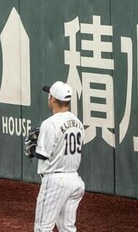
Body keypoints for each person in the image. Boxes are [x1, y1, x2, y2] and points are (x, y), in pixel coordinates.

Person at [31, 81, 85, 232]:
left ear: (53, 99)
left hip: (55, 182)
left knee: (42, 228)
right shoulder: (78, 123)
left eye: (49, 95)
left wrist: (32, 149)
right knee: (67, 228)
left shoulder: (50, 123)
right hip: (75, 180)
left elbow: (42, 154)